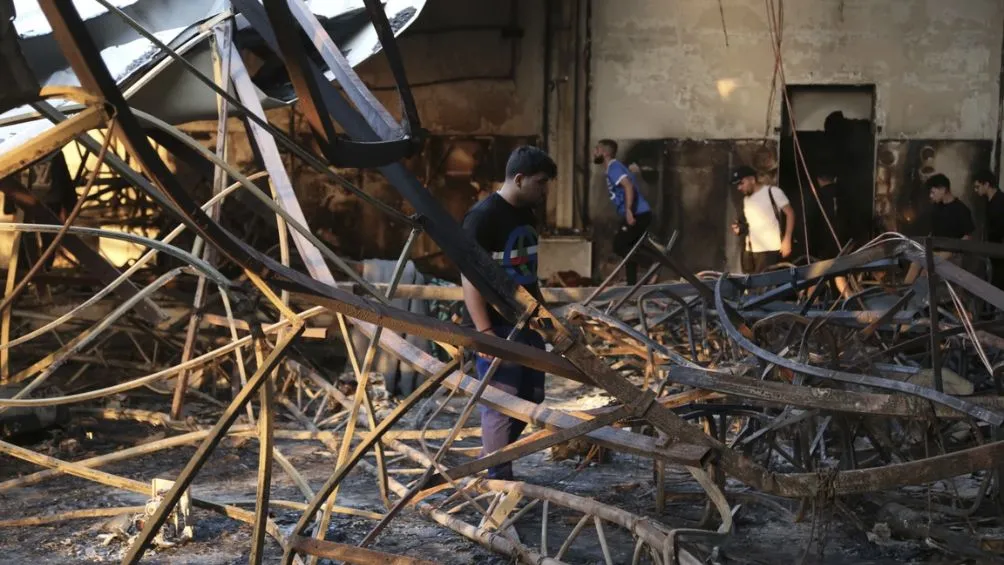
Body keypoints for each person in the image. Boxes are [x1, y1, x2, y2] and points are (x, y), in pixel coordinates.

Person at [461, 145, 556, 481]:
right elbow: (470, 276)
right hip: (496, 325)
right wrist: (484, 333)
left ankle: (494, 457)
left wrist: (544, 319)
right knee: (503, 399)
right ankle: (498, 478)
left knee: (532, 395)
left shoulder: (527, 214)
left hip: (526, 321)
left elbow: (527, 273)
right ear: (519, 179)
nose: (545, 190)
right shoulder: (483, 217)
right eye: (541, 182)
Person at [593, 139, 653, 285]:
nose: (594, 152)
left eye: (597, 149)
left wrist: (628, 211)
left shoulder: (614, 168)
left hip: (638, 213)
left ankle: (651, 264)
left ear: (605, 153)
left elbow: (628, 186)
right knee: (630, 248)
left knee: (620, 246)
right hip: (640, 213)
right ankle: (631, 285)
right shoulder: (613, 168)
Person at [905, 173, 974, 284]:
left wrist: (954, 249)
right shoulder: (937, 208)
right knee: (915, 263)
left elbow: (967, 236)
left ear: (943, 189)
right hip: (935, 247)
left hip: (951, 250)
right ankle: (904, 294)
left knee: (928, 267)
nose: (931, 196)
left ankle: (927, 297)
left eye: (933, 192)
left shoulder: (961, 210)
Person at [730, 165, 796, 274]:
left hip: (770, 249)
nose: (739, 188)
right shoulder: (745, 200)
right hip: (749, 251)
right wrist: (739, 229)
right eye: (737, 185)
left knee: (766, 286)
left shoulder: (773, 192)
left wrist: (787, 240)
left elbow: (790, 214)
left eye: (741, 183)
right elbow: (748, 225)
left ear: (752, 179)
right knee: (751, 287)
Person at [806, 166, 850, 297]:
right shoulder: (844, 195)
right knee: (839, 274)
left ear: (819, 180)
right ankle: (851, 299)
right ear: (834, 178)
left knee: (817, 274)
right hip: (843, 241)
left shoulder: (818, 197)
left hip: (824, 242)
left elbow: (812, 220)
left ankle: (810, 303)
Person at [973, 169, 1004, 288]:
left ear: (986, 184)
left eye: (977, 186)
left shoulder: (1000, 201)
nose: (976, 190)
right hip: (994, 251)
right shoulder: (989, 202)